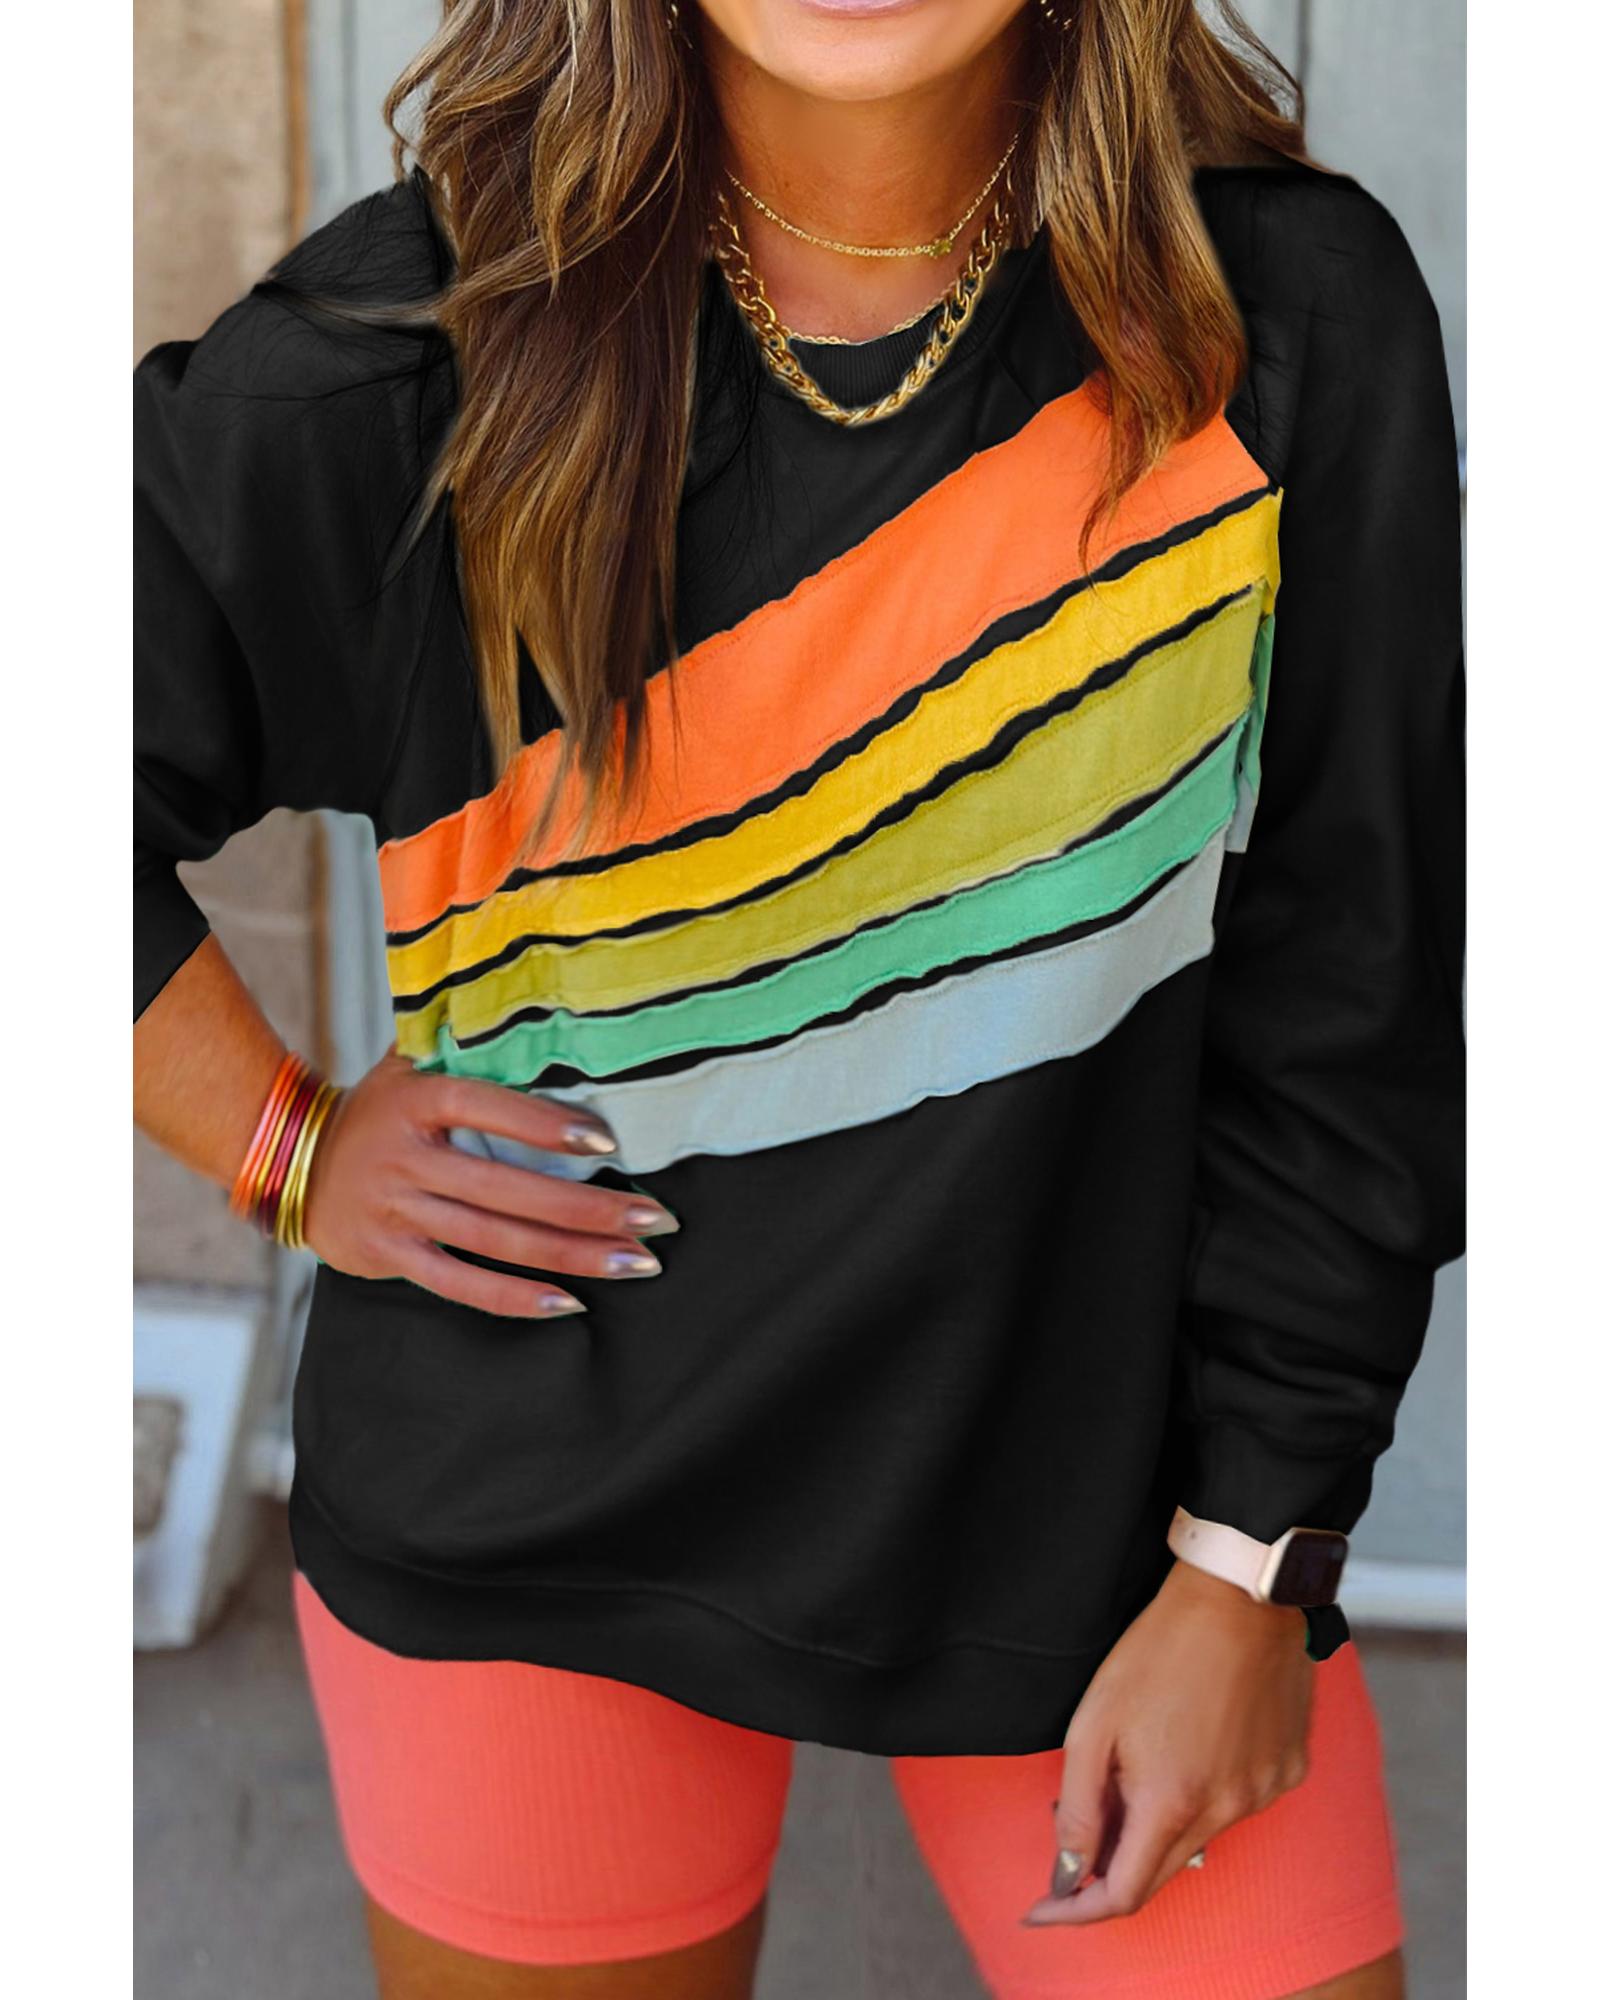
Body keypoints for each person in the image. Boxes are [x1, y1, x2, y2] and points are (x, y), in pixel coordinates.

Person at [132, 2, 1465, 1995]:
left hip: (1114, 1537)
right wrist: (282, 1142)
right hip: (533, 1515)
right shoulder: (422, 344)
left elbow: (1350, 991)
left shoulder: (1276, 313)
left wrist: (1250, 1562)